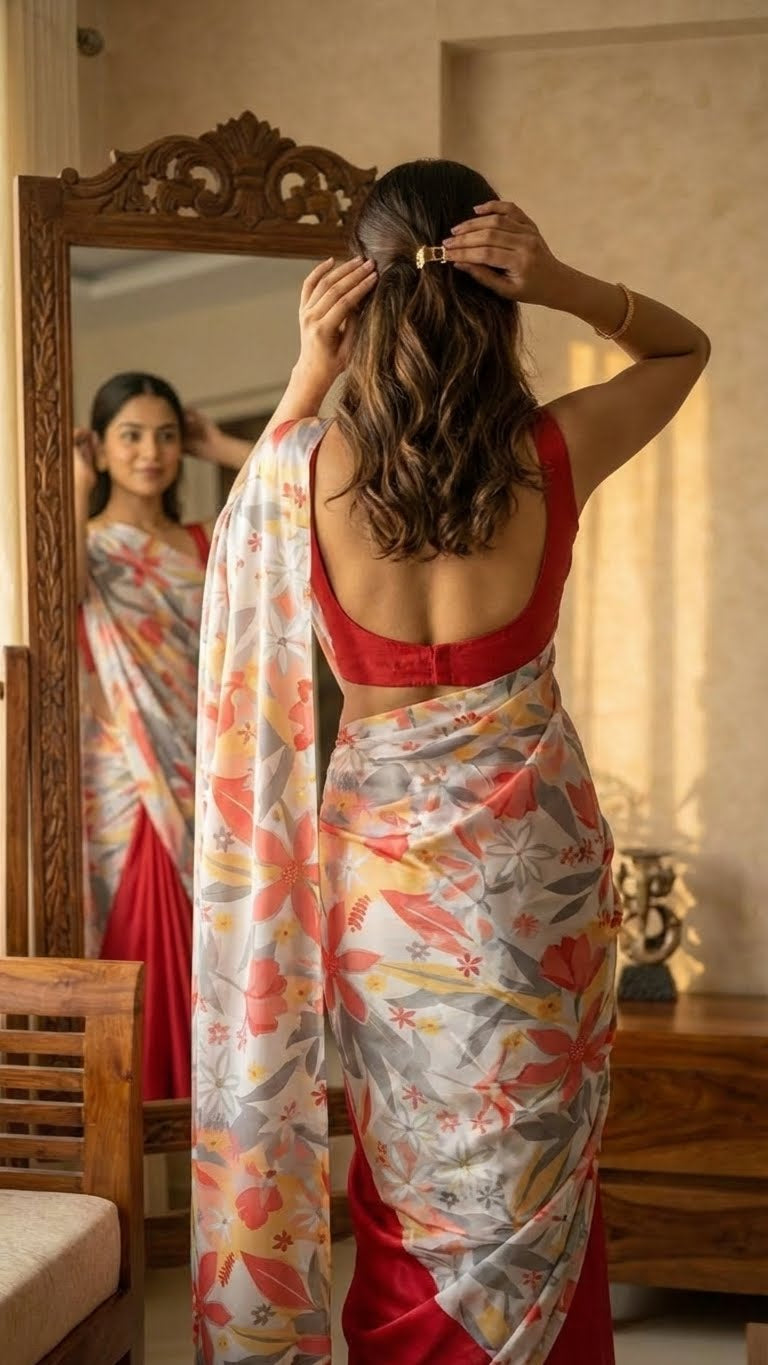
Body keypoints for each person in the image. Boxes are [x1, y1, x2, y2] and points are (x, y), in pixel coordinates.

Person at [192, 161, 709, 1364]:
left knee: (408, 1170)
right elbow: (681, 354)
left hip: (383, 888)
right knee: (534, 1172)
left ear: (355, 297)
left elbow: (232, 575)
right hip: (539, 875)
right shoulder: (555, 448)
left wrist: (309, 370)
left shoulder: (296, 472)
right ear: (501, 287)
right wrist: (573, 280)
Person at [75, 372, 248, 1100]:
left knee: (216, 959)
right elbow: (40, 586)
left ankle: (217, 1126)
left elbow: (306, 500)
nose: (152, 451)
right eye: (132, 435)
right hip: (126, 781)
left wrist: (221, 445)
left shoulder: (207, 540)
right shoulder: (83, 543)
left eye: (168, 434)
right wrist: (68, 481)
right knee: (139, 954)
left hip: (209, 770)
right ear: (103, 449)